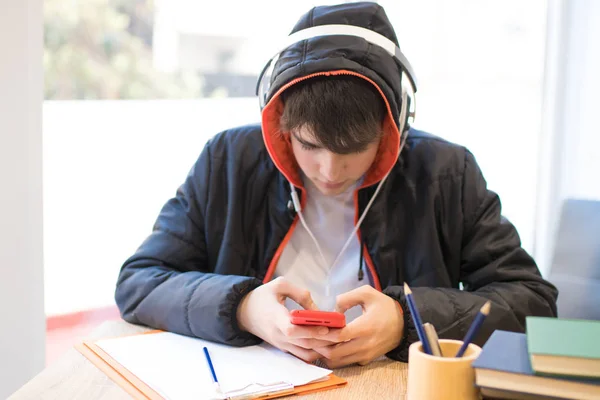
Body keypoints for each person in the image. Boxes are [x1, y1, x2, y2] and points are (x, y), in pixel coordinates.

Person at [115, 1, 557, 368]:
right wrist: (243, 307)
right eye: (309, 145)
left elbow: (533, 303)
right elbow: (140, 282)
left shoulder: (445, 173)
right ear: (280, 123)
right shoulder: (228, 160)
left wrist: (408, 319)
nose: (328, 170)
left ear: (393, 128)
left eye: (352, 150)